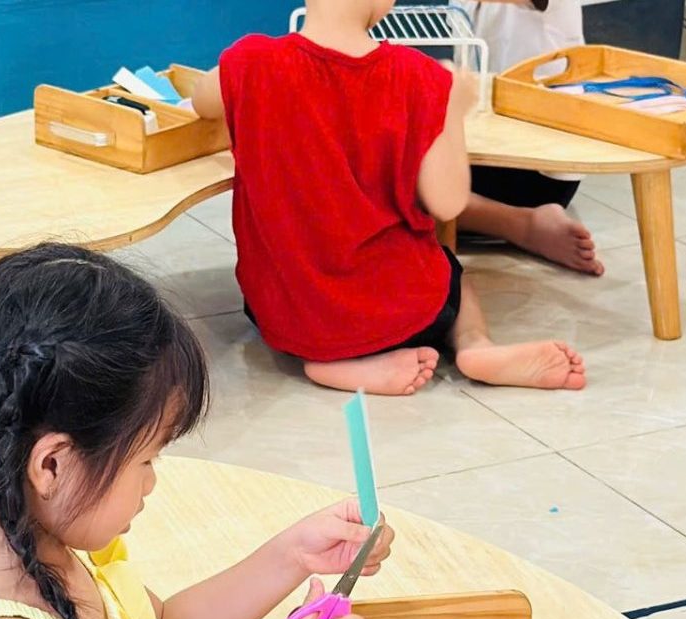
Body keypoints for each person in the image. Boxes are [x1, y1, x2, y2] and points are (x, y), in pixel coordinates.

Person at [0, 243, 395, 619]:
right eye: (145, 459)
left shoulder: (36, 533)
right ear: (51, 465)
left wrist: (292, 555)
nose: (151, 481)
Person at [192, 0, 588, 396]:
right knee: (454, 277)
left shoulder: (249, 62)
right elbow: (448, 203)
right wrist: (452, 111)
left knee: (298, 302)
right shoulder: (418, 77)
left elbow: (201, 101)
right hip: (401, 310)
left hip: (285, 311)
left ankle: (328, 361)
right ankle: (475, 345)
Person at [454, 0, 605, 276]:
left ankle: (520, 225)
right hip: (492, 151)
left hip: (534, 172)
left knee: (396, 185)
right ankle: (512, 221)